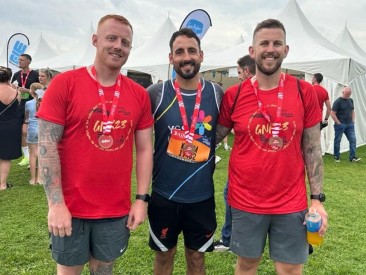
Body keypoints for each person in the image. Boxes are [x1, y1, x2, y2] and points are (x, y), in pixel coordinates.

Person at [37, 14, 154, 274]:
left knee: (104, 270)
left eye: (125, 42)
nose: (118, 46)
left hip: (114, 209)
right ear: (95, 40)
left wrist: (141, 199)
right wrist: (55, 205)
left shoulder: (138, 95)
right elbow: (47, 145)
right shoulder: (64, 84)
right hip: (71, 208)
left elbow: (145, 149)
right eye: (111, 38)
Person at [216, 19, 328, 274]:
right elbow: (210, 140)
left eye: (277, 43)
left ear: (286, 50)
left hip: (291, 201)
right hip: (245, 200)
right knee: (246, 265)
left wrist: (317, 199)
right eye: (264, 43)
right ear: (252, 51)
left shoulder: (303, 91)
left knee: (290, 268)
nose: (271, 48)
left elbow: (312, 149)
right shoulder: (234, 95)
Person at [147, 28, 223, 275]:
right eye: (179, 51)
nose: (186, 56)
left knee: (197, 258)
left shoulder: (216, 93)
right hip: (164, 194)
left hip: (201, 196)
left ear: (201, 55)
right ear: (171, 58)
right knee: (164, 257)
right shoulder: (155, 93)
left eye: (192, 50)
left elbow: (219, 134)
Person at [214, 54, 255, 252]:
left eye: (239, 72)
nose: (239, 77)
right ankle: (232, 238)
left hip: (247, 170)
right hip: (245, 167)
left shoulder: (238, 94)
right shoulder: (235, 94)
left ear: (247, 71)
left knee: (231, 196)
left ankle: (230, 238)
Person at [11, 54, 39, 167]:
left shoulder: (35, 74)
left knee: (30, 131)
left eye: (22, 60)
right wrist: (16, 89)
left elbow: (40, 90)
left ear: (28, 62)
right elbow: (11, 87)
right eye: (19, 60)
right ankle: (26, 157)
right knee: (22, 131)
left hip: (33, 106)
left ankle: (34, 155)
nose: (19, 61)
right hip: (19, 106)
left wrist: (27, 90)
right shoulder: (17, 74)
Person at [0, 66, 21, 190]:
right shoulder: (17, 92)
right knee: (6, 157)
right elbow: (17, 107)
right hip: (11, 127)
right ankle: (2, 184)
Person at [330, 86, 361, 162]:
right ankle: (337, 156)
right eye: (347, 94)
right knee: (337, 140)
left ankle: (352, 157)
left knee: (353, 140)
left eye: (349, 94)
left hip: (350, 124)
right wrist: (338, 123)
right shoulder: (338, 101)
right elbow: (332, 113)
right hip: (340, 125)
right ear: (343, 92)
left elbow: (352, 110)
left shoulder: (351, 100)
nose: (348, 95)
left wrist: (353, 120)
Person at [24, 82, 44, 185]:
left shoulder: (28, 103)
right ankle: (40, 178)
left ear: (31, 92)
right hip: (43, 129)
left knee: (32, 155)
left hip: (32, 129)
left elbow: (26, 118)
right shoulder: (46, 102)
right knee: (41, 154)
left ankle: (32, 179)